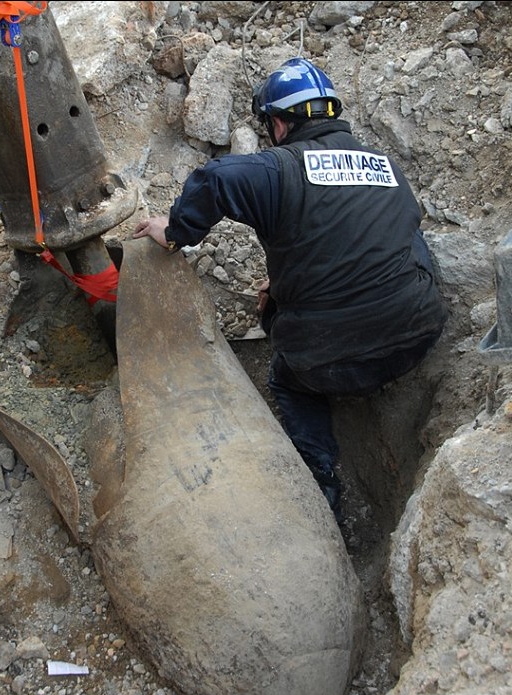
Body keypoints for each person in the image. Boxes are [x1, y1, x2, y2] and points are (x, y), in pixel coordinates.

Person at [132, 57, 447, 525]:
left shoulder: (279, 168)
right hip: (419, 337)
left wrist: (177, 230)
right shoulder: (386, 168)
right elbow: (363, 237)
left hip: (328, 364)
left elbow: (214, 179)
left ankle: (321, 479)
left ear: (279, 123)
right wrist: (287, 281)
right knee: (407, 236)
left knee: (287, 375)